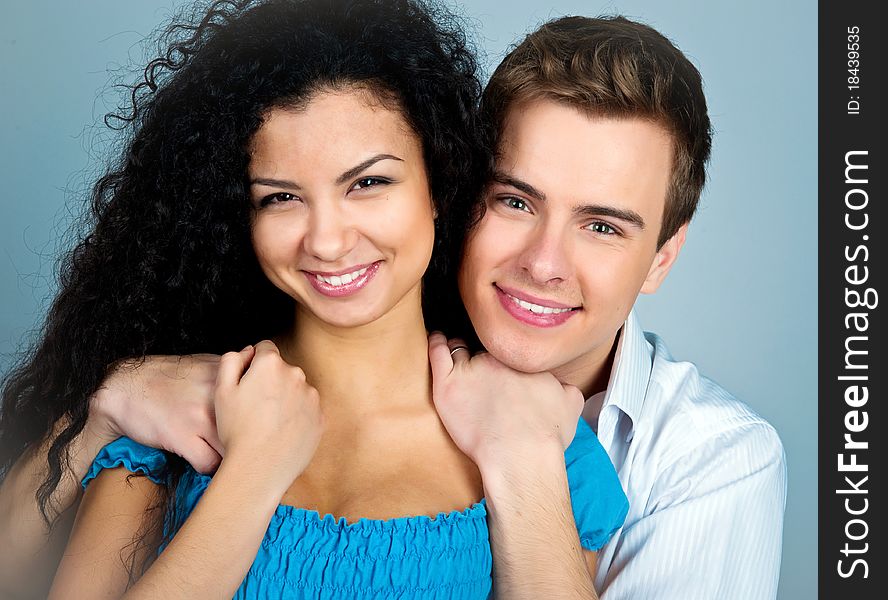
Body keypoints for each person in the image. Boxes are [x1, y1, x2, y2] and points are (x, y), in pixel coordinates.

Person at [1, 9, 787, 600]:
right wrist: (244, 471)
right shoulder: (173, 421)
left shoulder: (589, 463)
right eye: (280, 197)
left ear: (438, 183)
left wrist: (525, 459)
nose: (330, 240)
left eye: (369, 181)